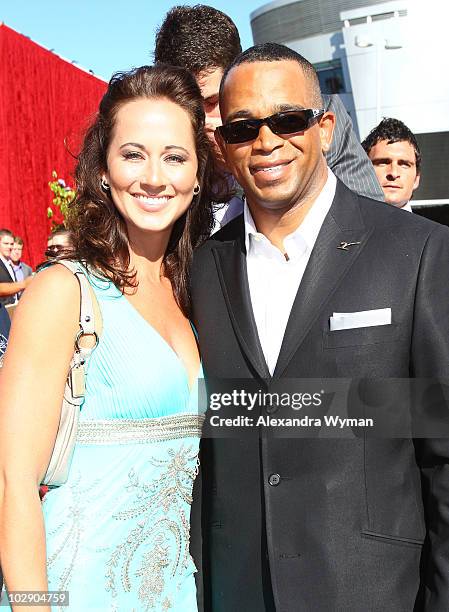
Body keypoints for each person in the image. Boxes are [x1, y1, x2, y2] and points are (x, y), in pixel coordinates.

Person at [190, 43, 449, 611]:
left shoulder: (417, 253)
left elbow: (443, 453)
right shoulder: (201, 270)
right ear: (221, 145)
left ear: (326, 127)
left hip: (374, 591)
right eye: (243, 128)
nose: (266, 141)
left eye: (287, 119)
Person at [0, 64, 224, 610]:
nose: (154, 176)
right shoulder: (62, 292)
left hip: (173, 590)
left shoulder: (200, 291)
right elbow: (12, 482)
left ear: (198, 176)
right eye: (132, 154)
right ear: (103, 169)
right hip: (73, 591)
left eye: (174, 156)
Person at [154, 4, 384, 232]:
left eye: (213, 102)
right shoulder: (159, 154)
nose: (203, 122)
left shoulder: (311, 118)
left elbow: (370, 222)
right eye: (190, 107)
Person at [362, 117, 421, 211]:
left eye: (404, 164)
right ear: (362, 171)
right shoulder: (337, 223)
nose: (393, 173)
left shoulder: (436, 226)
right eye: (383, 163)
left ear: (416, 179)